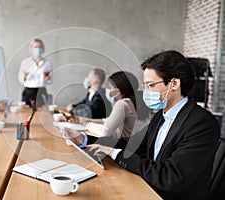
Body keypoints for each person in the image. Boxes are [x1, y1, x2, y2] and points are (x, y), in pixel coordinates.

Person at [78, 50, 220, 200]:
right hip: (148, 188)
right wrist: (84, 139)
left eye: (151, 85)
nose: (145, 92)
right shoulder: (160, 116)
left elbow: (170, 177)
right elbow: (131, 144)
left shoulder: (202, 124)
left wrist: (114, 153)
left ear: (174, 84)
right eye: (145, 85)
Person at [65, 71, 137, 149]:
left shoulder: (122, 104)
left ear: (118, 91)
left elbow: (106, 131)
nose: (107, 90)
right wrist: (85, 120)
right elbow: (107, 121)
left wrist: (87, 125)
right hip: (122, 144)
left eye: (109, 88)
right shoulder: (127, 102)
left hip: (121, 146)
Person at [18, 38, 52, 107]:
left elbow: (50, 81)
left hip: (41, 91)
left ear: (42, 49)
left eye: (40, 47)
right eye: (35, 47)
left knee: (42, 113)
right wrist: (24, 76)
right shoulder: (25, 62)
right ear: (31, 49)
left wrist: (47, 77)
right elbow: (20, 79)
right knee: (27, 113)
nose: (38, 49)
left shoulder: (47, 63)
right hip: (28, 92)